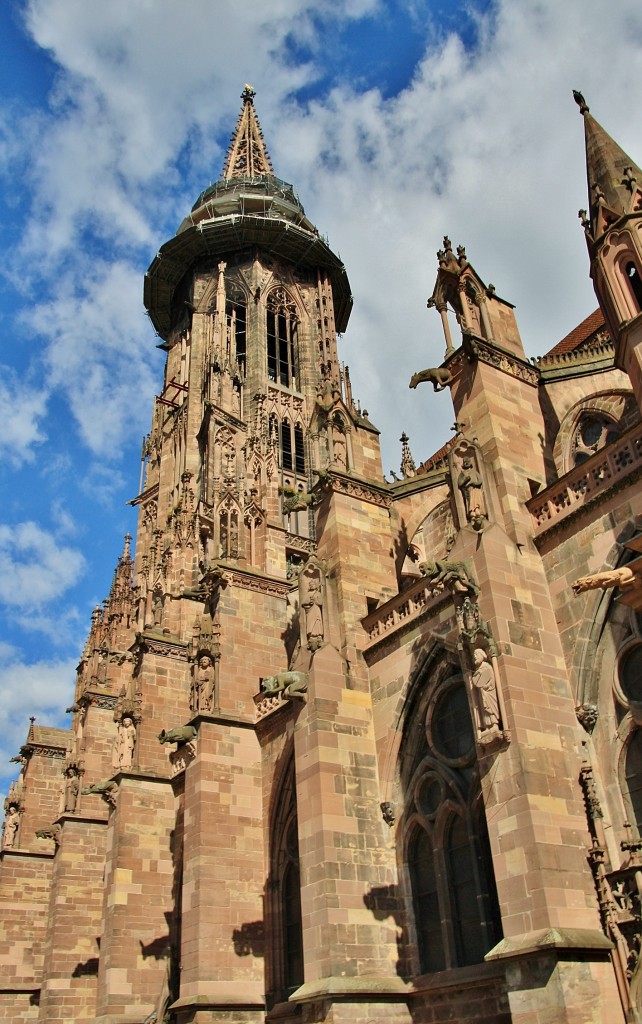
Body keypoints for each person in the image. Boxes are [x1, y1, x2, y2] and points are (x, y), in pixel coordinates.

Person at [472, 648, 499, 731]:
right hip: (482, 692)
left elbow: (492, 679)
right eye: (474, 655)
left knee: (489, 707)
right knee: (483, 709)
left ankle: (494, 724)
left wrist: (486, 686)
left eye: (476, 654)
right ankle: (487, 726)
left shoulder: (487, 666)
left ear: (481, 655)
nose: (475, 657)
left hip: (488, 692)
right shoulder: (478, 669)